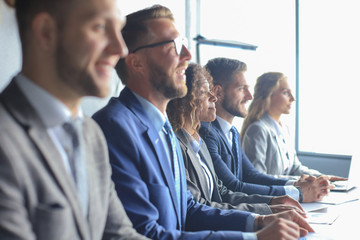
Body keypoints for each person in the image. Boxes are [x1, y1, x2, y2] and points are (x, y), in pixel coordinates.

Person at [93, 5, 314, 240]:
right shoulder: (114, 127)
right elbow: (146, 233)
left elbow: (189, 210)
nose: (187, 55)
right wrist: (254, 238)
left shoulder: (166, 129)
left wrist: (259, 221)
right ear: (136, 63)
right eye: (175, 45)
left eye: (185, 43)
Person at [0, 0, 149, 239]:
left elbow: (119, 234)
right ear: (46, 32)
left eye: (118, 30)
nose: (120, 49)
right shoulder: (5, 141)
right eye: (100, 27)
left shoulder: (91, 133)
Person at [167, 63, 306, 216]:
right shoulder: (188, 141)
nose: (214, 97)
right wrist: (259, 217)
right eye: (204, 92)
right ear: (184, 99)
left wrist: (273, 202)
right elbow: (202, 204)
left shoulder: (203, 140)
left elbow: (224, 191)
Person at [200, 57, 333, 203]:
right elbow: (233, 186)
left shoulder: (232, 132)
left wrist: (295, 185)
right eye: (241, 88)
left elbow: (252, 175)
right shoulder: (207, 133)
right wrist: (297, 193)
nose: (249, 96)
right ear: (218, 92)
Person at [240, 72, 346, 182]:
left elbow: (295, 167)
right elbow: (258, 177)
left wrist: (321, 177)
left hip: (290, 191)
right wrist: (300, 181)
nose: (293, 98)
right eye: (285, 92)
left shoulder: (284, 128)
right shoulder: (257, 130)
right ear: (268, 95)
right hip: (273, 196)